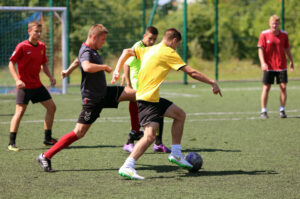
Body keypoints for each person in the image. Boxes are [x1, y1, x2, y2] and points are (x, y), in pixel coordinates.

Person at [111, 28, 222, 180]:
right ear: (174, 41)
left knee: (180, 115)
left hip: (152, 98)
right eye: (177, 44)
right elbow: (192, 72)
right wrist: (212, 82)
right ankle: (128, 165)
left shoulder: (150, 49)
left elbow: (126, 51)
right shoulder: (168, 52)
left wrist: (117, 70)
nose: (176, 47)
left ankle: (176, 154)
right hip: (147, 99)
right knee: (149, 136)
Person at [36, 24, 136, 172]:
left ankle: (135, 131)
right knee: (79, 132)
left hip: (104, 93)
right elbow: (87, 66)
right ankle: (46, 155)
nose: (104, 42)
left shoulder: (90, 50)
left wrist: (68, 71)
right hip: (92, 99)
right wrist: (104, 67)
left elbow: (77, 61)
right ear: (94, 37)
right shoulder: (86, 51)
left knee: (136, 95)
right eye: (102, 40)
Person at [8, 21, 57, 152]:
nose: (39, 34)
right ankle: (11, 143)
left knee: (52, 108)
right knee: (19, 112)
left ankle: (47, 138)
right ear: (29, 31)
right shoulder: (22, 46)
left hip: (37, 85)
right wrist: (17, 80)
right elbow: (11, 64)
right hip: (24, 86)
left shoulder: (41, 46)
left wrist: (50, 77)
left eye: (40, 31)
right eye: (36, 31)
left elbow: (44, 64)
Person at [122, 26, 171, 153]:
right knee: (143, 117)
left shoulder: (150, 48)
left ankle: (158, 143)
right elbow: (127, 64)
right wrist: (128, 84)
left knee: (157, 113)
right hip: (139, 88)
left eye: (154, 39)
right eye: (150, 38)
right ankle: (130, 142)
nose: (152, 42)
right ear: (144, 36)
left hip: (148, 87)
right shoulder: (138, 47)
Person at [258, 15, 294, 119]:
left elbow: (287, 49)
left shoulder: (284, 34)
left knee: (283, 87)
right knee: (266, 88)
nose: (275, 25)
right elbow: (260, 50)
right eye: (273, 23)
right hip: (268, 67)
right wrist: (262, 62)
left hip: (281, 66)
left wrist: (291, 61)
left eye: (277, 23)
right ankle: (263, 111)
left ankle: (282, 110)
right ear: (269, 23)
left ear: (279, 24)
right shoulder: (264, 34)